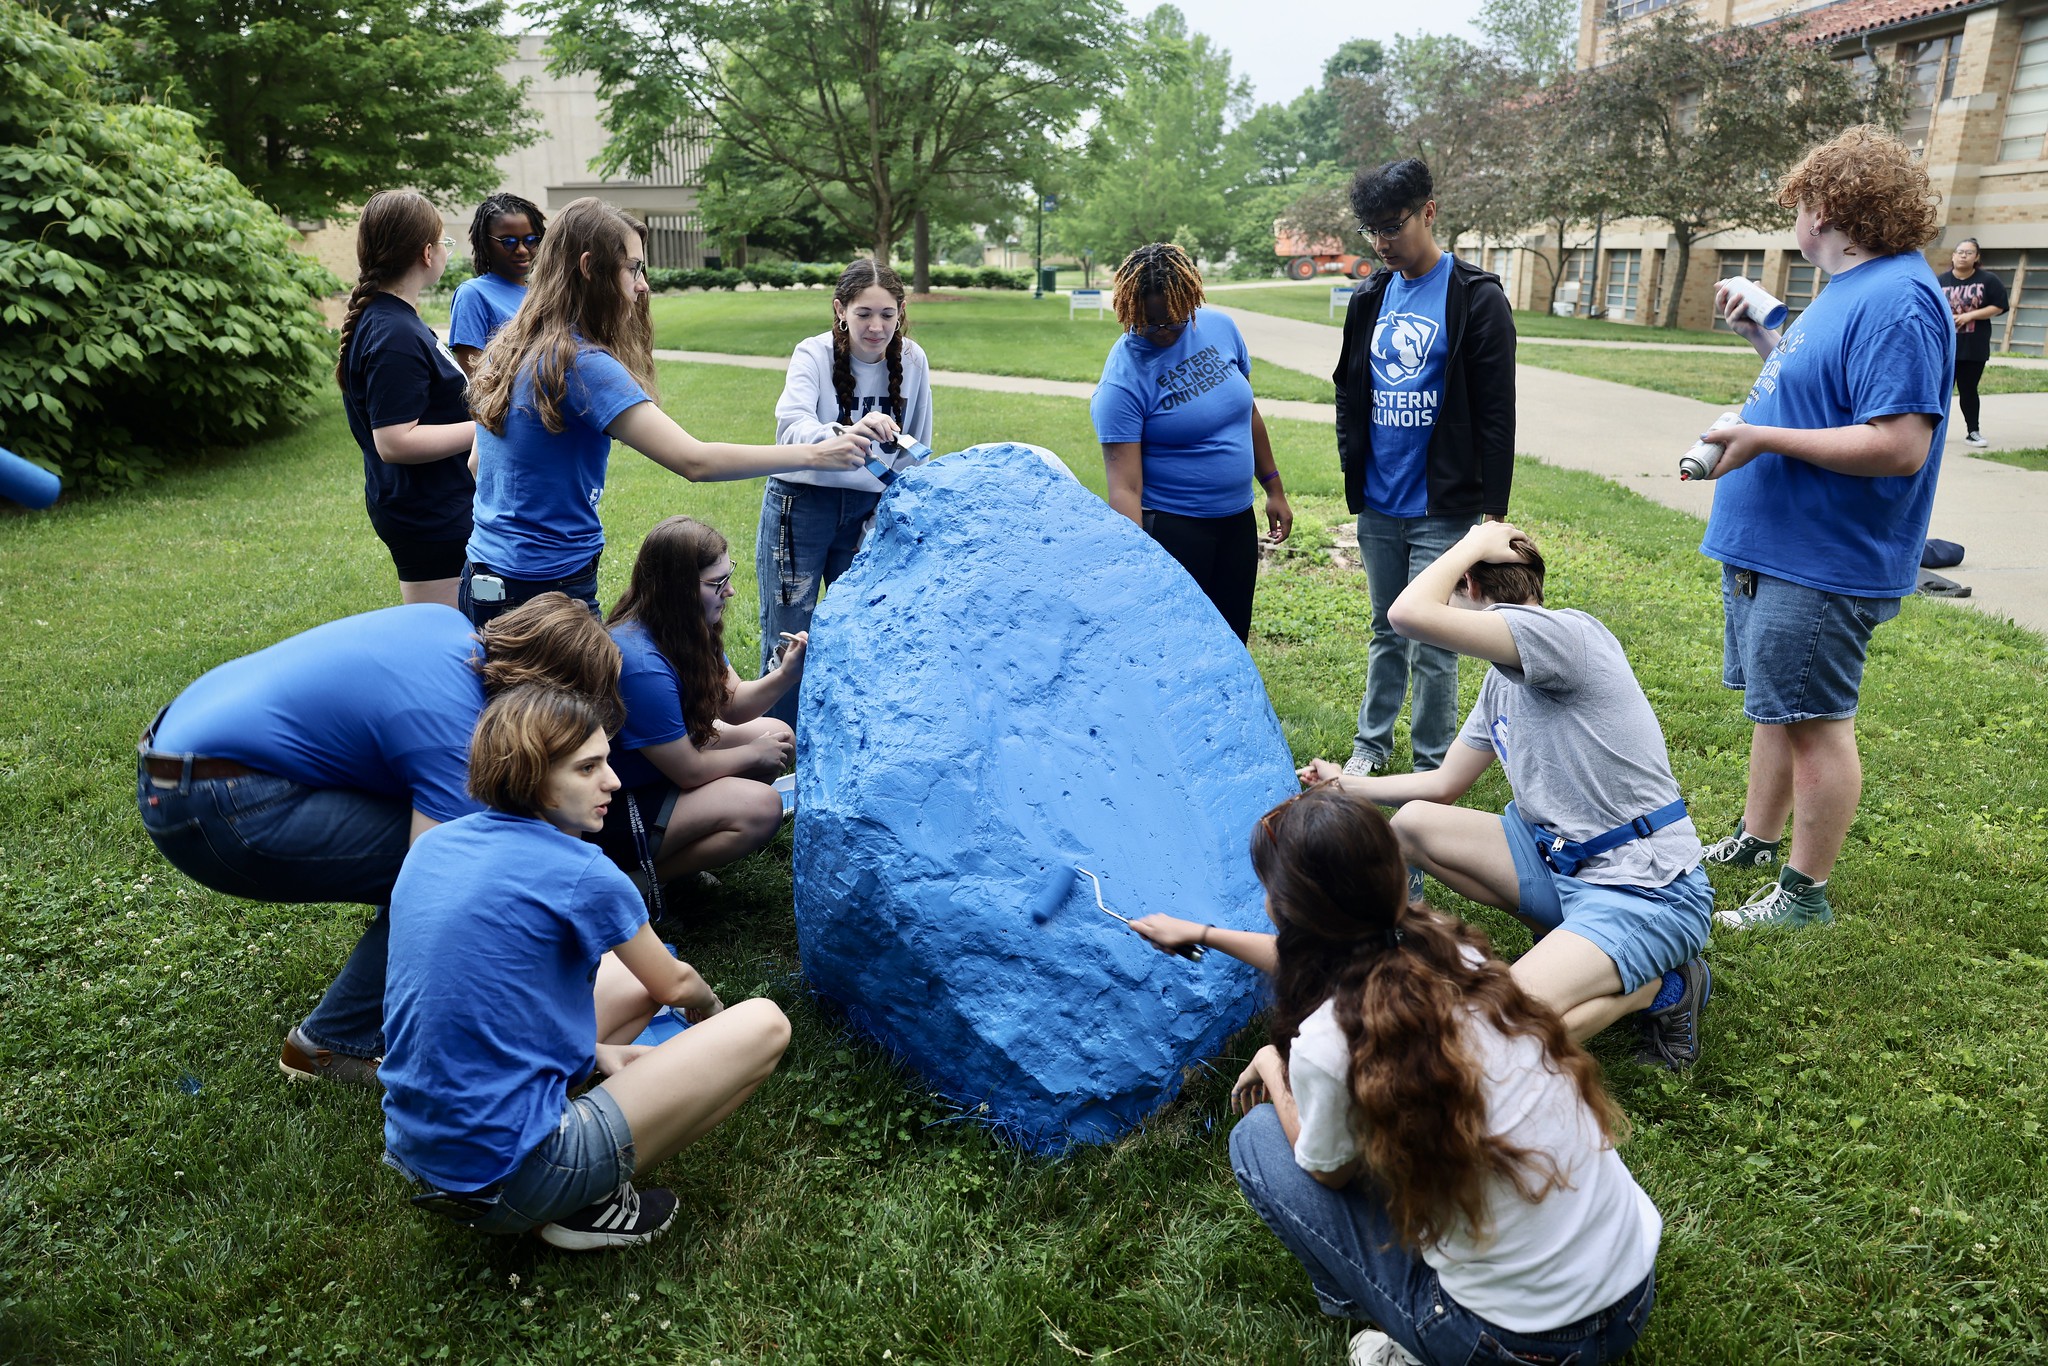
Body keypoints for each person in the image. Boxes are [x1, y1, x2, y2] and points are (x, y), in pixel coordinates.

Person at [1145, 523, 1713, 1071]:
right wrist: (1344, 784)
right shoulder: (1503, 680)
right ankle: (1539, 944)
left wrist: (1469, 542)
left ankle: (1664, 989)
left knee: (1481, 1040)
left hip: (1645, 887)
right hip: (1561, 863)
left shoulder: (1564, 634)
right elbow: (1443, 785)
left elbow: (1405, 614)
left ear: (1467, 586)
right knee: (1415, 823)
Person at [1181, 785, 1660, 1366]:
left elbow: (1326, 1175)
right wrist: (1206, 936)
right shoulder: (1460, 958)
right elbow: (1325, 954)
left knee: (1258, 1139)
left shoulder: (1329, 1042)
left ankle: (1379, 1320)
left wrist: (1275, 1070)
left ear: (1282, 912)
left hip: (1516, 1348)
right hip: (1633, 1291)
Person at [135, 594, 622, 1085]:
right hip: (216, 806)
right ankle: (332, 1043)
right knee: (461, 872)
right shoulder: (454, 731)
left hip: (175, 758)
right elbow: (438, 888)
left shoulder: (445, 624)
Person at [380, 685, 790, 1250]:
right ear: (531, 777)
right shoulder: (584, 872)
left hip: (417, 1152)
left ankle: (564, 1112)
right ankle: (586, 1203)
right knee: (764, 1023)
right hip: (512, 1178)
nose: (614, 782)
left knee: (622, 978)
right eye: (588, 767)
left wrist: (596, 1053)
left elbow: (477, 1001)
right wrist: (712, 1011)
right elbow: (674, 985)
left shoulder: (434, 845)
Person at [1694, 126, 1954, 931]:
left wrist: (1762, 437)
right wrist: (1763, 341)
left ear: (1831, 208)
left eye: (1801, 202)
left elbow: (1900, 444)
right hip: (1776, 544)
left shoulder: (1899, 300)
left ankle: (1804, 896)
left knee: (1814, 723)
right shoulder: (1848, 288)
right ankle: (1756, 840)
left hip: (1823, 555)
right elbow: (1826, 400)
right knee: (1781, 710)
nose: (1794, 218)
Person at [462, 197, 870, 627]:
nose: (642, 285)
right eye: (633, 268)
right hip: (545, 589)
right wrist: (819, 454)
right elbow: (694, 461)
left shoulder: (509, 345)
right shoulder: (580, 363)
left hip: (484, 574)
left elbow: (477, 462)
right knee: (569, 698)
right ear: (588, 267)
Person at [1333, 157, 1515, 781]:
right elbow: (1347, 389)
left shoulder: (1475, 296)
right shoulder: (1370, 296)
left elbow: (1496, 406)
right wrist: (1353, 468)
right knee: (1386, 626)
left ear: (1429, 212)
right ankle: (1371, 745)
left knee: (1434, 643)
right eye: (1371, 230)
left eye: (1392, 226)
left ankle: (1432, 764)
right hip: (1380, 502)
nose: (1382, 242)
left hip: (1444, 505)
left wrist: (1494, 506)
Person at [757, 259, 934, 727]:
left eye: (888, 315)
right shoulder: (812, 354)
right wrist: (846, 432)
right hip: (802, 504)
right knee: (790, 627)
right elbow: (790, 431)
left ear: (900, 314)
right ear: (840, 310)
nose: (877, 327)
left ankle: (847, 731)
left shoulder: (913, 361)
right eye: (863, 314)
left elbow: (918, 453)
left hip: (867, 511)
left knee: (861, 622)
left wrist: (888, 515)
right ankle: (781, 741)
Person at [1090, 242, 1292, 644]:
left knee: (1234, 637)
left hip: (1236, 519)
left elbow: (1247, 412)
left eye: (1173, 320)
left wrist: (1274, 488)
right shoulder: (1122, 382)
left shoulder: (1220, 328)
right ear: (1130, 312)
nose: (1162, 330)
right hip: (1175, 529)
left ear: (1190, 301)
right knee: (1179, 643)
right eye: (1149, 323)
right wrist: (1138, 559)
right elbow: (1125, 488)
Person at [601, 516, 802, 899]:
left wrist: (787, 674)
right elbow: (689, 771)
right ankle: (642, 882)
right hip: (617, 808)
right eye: (716, 583)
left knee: (778, 735)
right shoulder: (640, 665)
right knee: (761, 808)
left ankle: (679, 847)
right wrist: (750, 754)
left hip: (657, 774)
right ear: (676, 589)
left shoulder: (686, 624)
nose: (730, 592)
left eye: (728, 577)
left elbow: (733, 703)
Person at [335, 189, 477, 609]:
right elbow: (395, 441)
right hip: (428, 518)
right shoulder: (392, 333)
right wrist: (484, 426)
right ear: (426, 253)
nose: (446, 252)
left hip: (441, 507)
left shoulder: (396, 319)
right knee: (447, 643)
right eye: (444, 243)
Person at [449, 192, 548, 380]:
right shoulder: (473, 294)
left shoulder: (543, 293)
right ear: (485, 243)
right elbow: (473, 380)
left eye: (530, 240)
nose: (521, 250)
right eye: (508, 242)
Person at [1937, 237, 2007, 448]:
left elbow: (2000, 306)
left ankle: (1972, 431)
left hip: (1973, 347)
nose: (1963, 256)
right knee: (1939, 392)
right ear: (1953, 255)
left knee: (1968, 390)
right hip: (1944, 348)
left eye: (1968, 252)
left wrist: (1970, 316)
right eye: (1960, 252)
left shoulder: (1988, 280)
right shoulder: (1941, 281)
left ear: (1976, 257)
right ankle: (1932, 432)